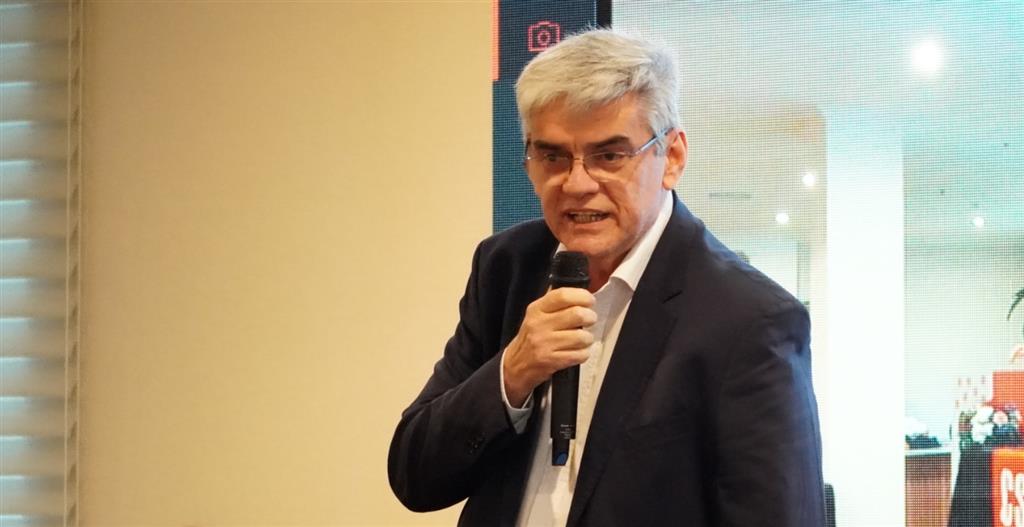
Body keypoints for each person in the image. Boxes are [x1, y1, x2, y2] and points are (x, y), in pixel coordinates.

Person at [388, 29, 824, 526]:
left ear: (672, 157)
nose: (576, 184)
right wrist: (513, 373)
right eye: (553, 156)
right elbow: (414, 476)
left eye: (609, 156)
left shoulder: (749, 317)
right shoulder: (505, 267)